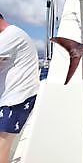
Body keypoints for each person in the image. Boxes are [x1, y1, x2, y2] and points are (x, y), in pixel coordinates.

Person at [0, 13, 40, 163]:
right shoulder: (12, 35)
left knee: (1, 149)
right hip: (12, 98)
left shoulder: (10, 36)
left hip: (16, 100)